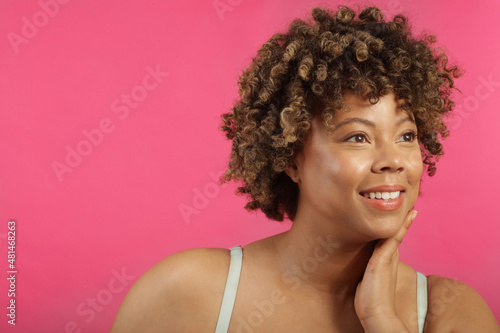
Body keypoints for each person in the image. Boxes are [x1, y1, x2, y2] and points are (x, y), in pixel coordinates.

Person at [110, 6, 500, 332]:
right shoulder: (189, 294)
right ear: (291, 158)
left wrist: (382, 321)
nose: (393, 160)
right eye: (357, 138)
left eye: (406, 135)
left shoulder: (449, 314)